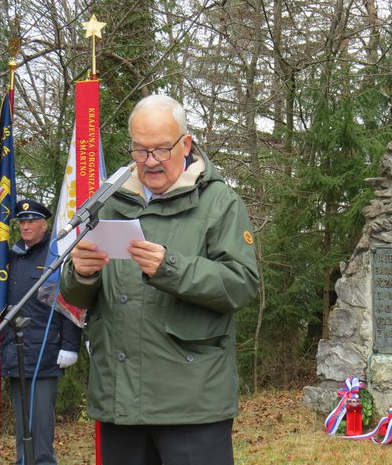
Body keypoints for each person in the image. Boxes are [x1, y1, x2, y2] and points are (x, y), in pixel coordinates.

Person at [60, 94, 260, 465]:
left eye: (161, 150)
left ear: (185, 144)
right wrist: (81, 274)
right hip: (118, 397)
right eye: (140, 151)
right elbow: (78, 295)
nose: (150, 162)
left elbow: (242, 284)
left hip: (191, 403)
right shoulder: (107, 202)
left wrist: (171, 268)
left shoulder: (219, 202)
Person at [0, 200, 81, 465]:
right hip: (14, 351)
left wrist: (71, 344)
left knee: (39, 427)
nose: (26, 226)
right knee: (23, 426)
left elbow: (70, 299)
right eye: (22, 221)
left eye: (31, 221)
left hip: (45, 351)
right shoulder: (11, 256)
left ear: (45, 224)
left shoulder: (56, 253)